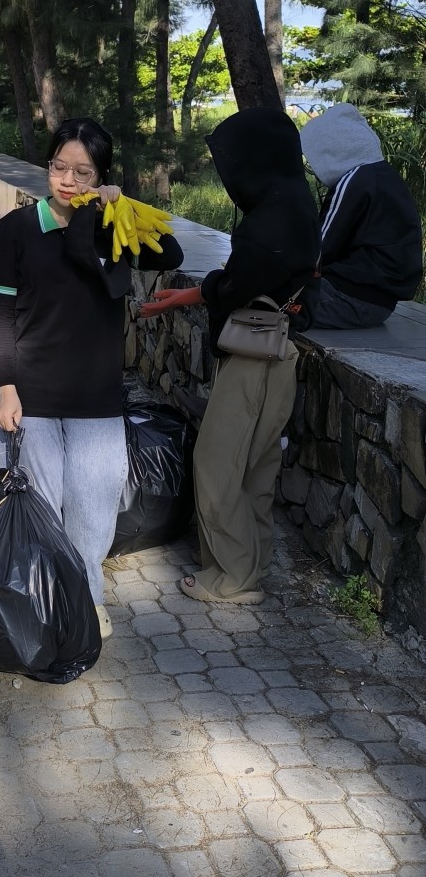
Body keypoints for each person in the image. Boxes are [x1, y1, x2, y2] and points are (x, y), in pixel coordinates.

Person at [0, 118, 183, 639]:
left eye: (83, 172)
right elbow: (1, 317)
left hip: (96, 395)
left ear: (101, 175)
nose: (68, 180)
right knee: (40, 505)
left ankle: (86, 596)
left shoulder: (113, 226)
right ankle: (42, 597)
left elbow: (172, 255)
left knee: (93, 509)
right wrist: (6, 390)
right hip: (33, 392)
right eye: (59, 167)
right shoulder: (17, 230)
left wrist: (118, 206)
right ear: (47, 167)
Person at [142, 108, 319, 605]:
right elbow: (248, 281)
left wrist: (203, 291)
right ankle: (253, 561)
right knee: (256, 467)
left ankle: (233, 577)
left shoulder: (271, 221)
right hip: (279, 350)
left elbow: (240, 283)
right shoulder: (296, 201)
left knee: (217, 461)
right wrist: (185, 297)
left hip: (253, 358)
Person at [298, 102, 422, 329]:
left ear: (331, 148)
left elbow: (318, 249)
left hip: (348, 298)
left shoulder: (353, 180)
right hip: (381, 304)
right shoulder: (385, 175)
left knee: (266, 300)